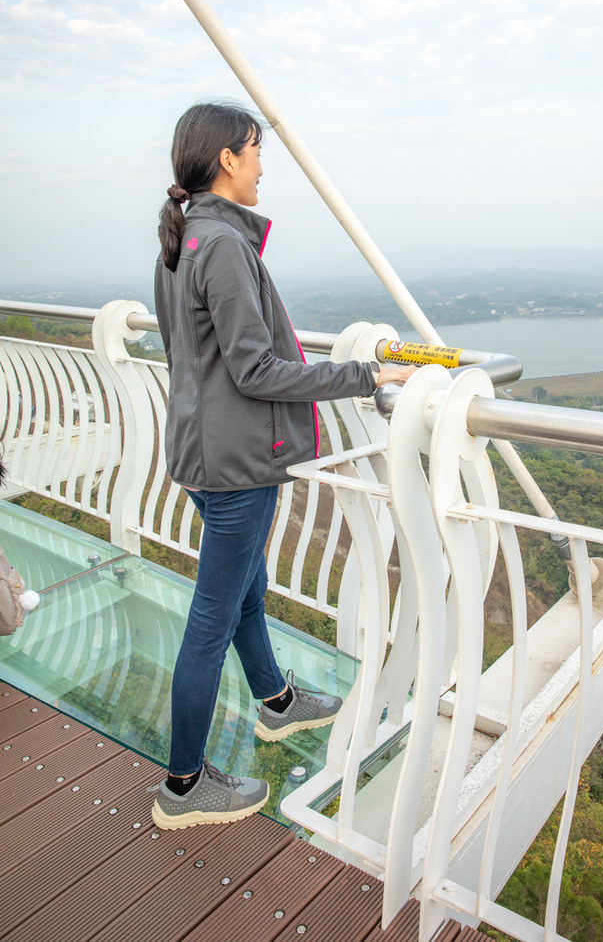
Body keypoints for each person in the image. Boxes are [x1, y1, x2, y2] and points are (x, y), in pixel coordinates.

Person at [150, 102, 413, 831]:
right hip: (235, 466)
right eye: (257, 150)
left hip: (204, 455)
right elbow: (258, 370)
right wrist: (364, 377)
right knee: (213, 615)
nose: (264, 164)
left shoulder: (183, 242)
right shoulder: (224, 247)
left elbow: (190, 359)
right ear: (228, 159)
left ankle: (274, 702)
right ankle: (183, 785)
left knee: (244, 590)